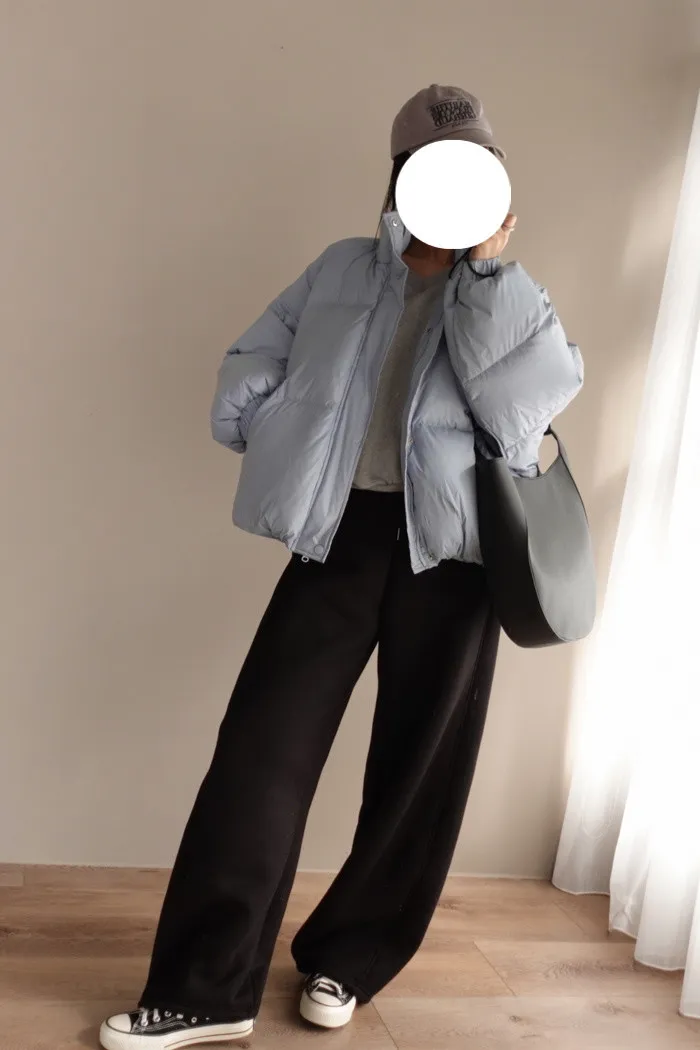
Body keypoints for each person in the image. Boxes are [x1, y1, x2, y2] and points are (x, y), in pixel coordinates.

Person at [99, 84, 583, 1050]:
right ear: (401, 177)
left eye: (476, 169)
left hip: (455, 556)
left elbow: (521, 414)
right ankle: (207, 988)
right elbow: (256, 354)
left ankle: (348, 960)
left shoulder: (511, 294)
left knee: (417, 770)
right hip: (342, 536)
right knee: (260, 756)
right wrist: (268, 420)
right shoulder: (340, 269)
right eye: (436, 169)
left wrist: (485, 280)